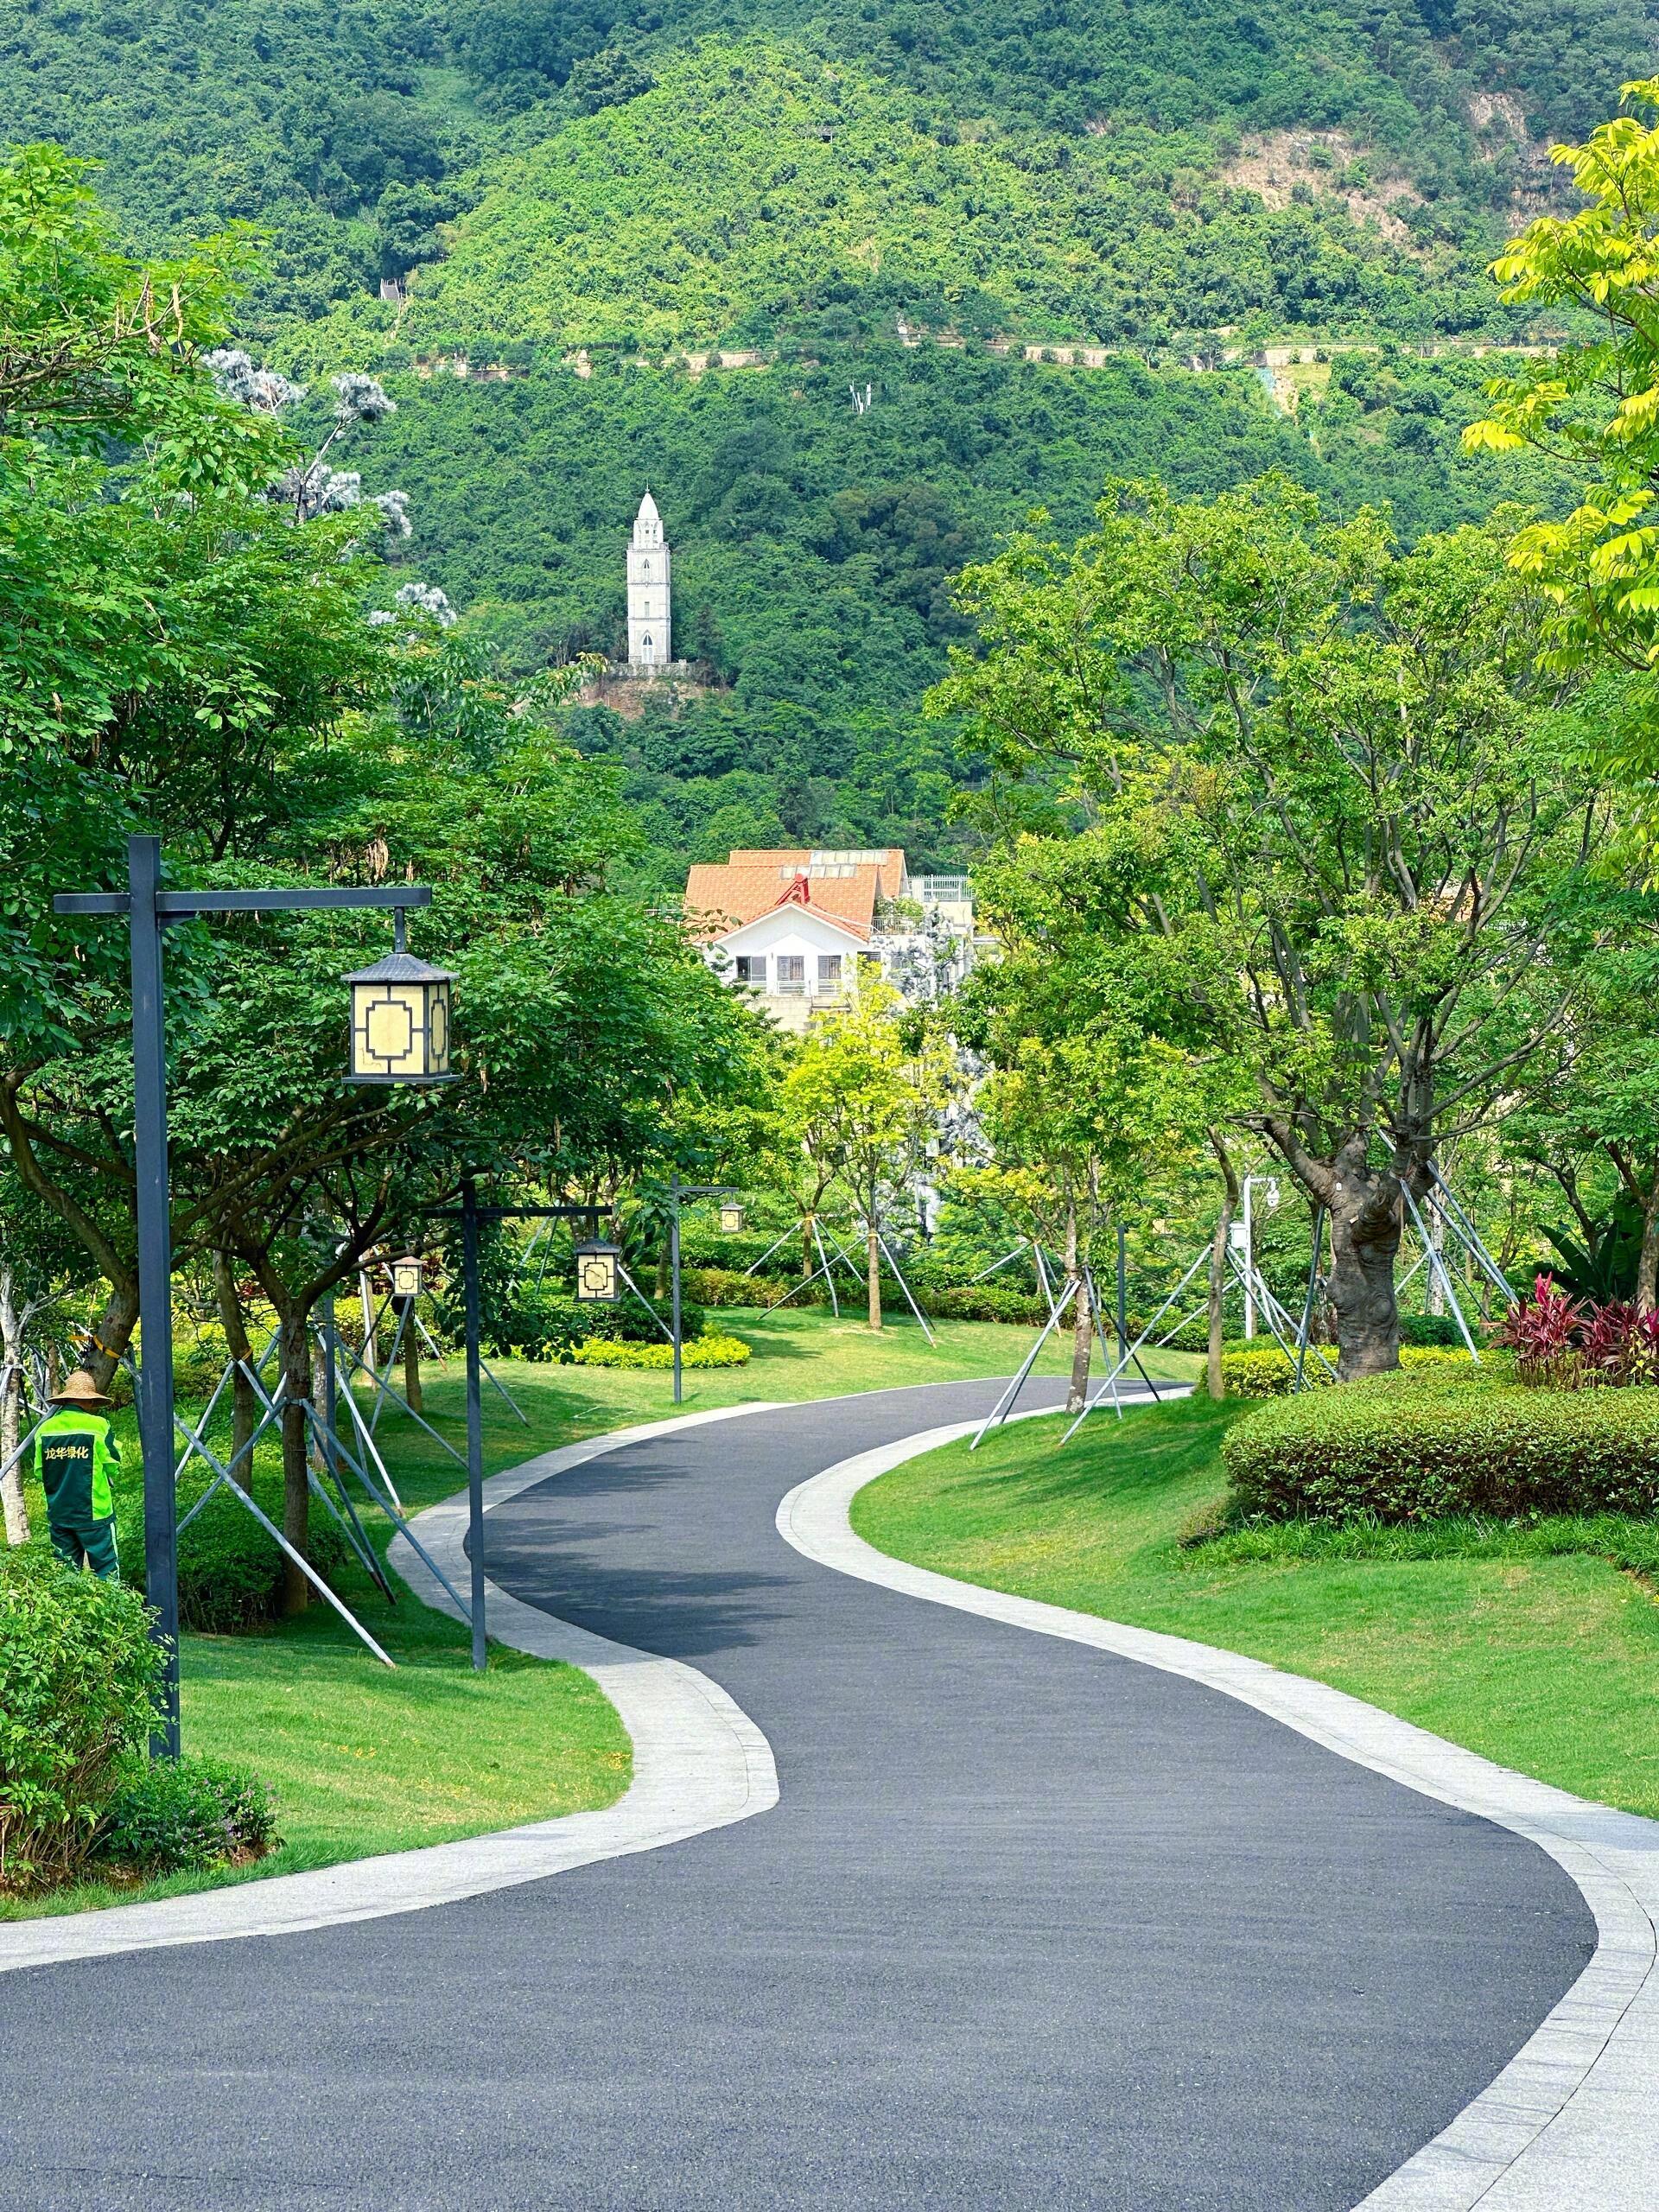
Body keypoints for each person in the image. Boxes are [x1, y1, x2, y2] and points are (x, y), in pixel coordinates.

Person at [35, 1368, 122, 1580]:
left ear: (65, 1400)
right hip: (94, 1513)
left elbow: (40, 1472)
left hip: (60, 1514)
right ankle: (110, 1613)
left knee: (65, 1576)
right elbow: (114, 1464)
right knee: (107, 1573)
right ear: (90, 1402)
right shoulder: (98, 1426)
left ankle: (67, 1613)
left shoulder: (45, 1429)